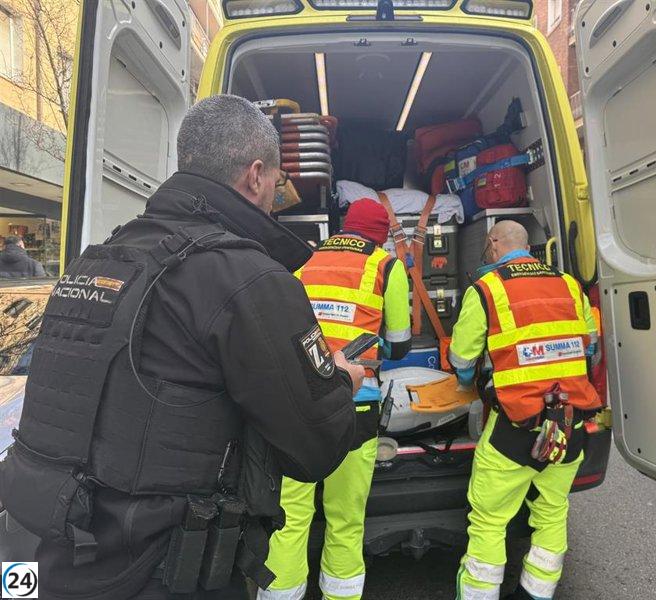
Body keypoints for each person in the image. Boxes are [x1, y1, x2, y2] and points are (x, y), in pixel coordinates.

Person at [0, 95, 362, 600]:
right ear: (256, 175)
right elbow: (315, 448)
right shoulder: (249, 278)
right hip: (167, 570)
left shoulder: (97, 259)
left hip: (58, 555)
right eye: (278, 182)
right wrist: (341, 381)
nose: (276, 196)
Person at [263, 199, 412, 600]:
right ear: (379, 236)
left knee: (290, 517)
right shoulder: (386, 266)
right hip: (356, 404)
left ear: (346, 226)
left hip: (299, 404)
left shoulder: (304, 261)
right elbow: (400, 344)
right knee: (345, 518)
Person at [448, 220, 602, 600]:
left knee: (489, 520)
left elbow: (462, 359)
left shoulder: (486, 288)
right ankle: (536, 593)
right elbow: (590, 347)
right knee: (552, 512)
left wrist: (470, 383)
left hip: (514, 432)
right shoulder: (570, 285)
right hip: (569, 426)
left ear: (493, 243)